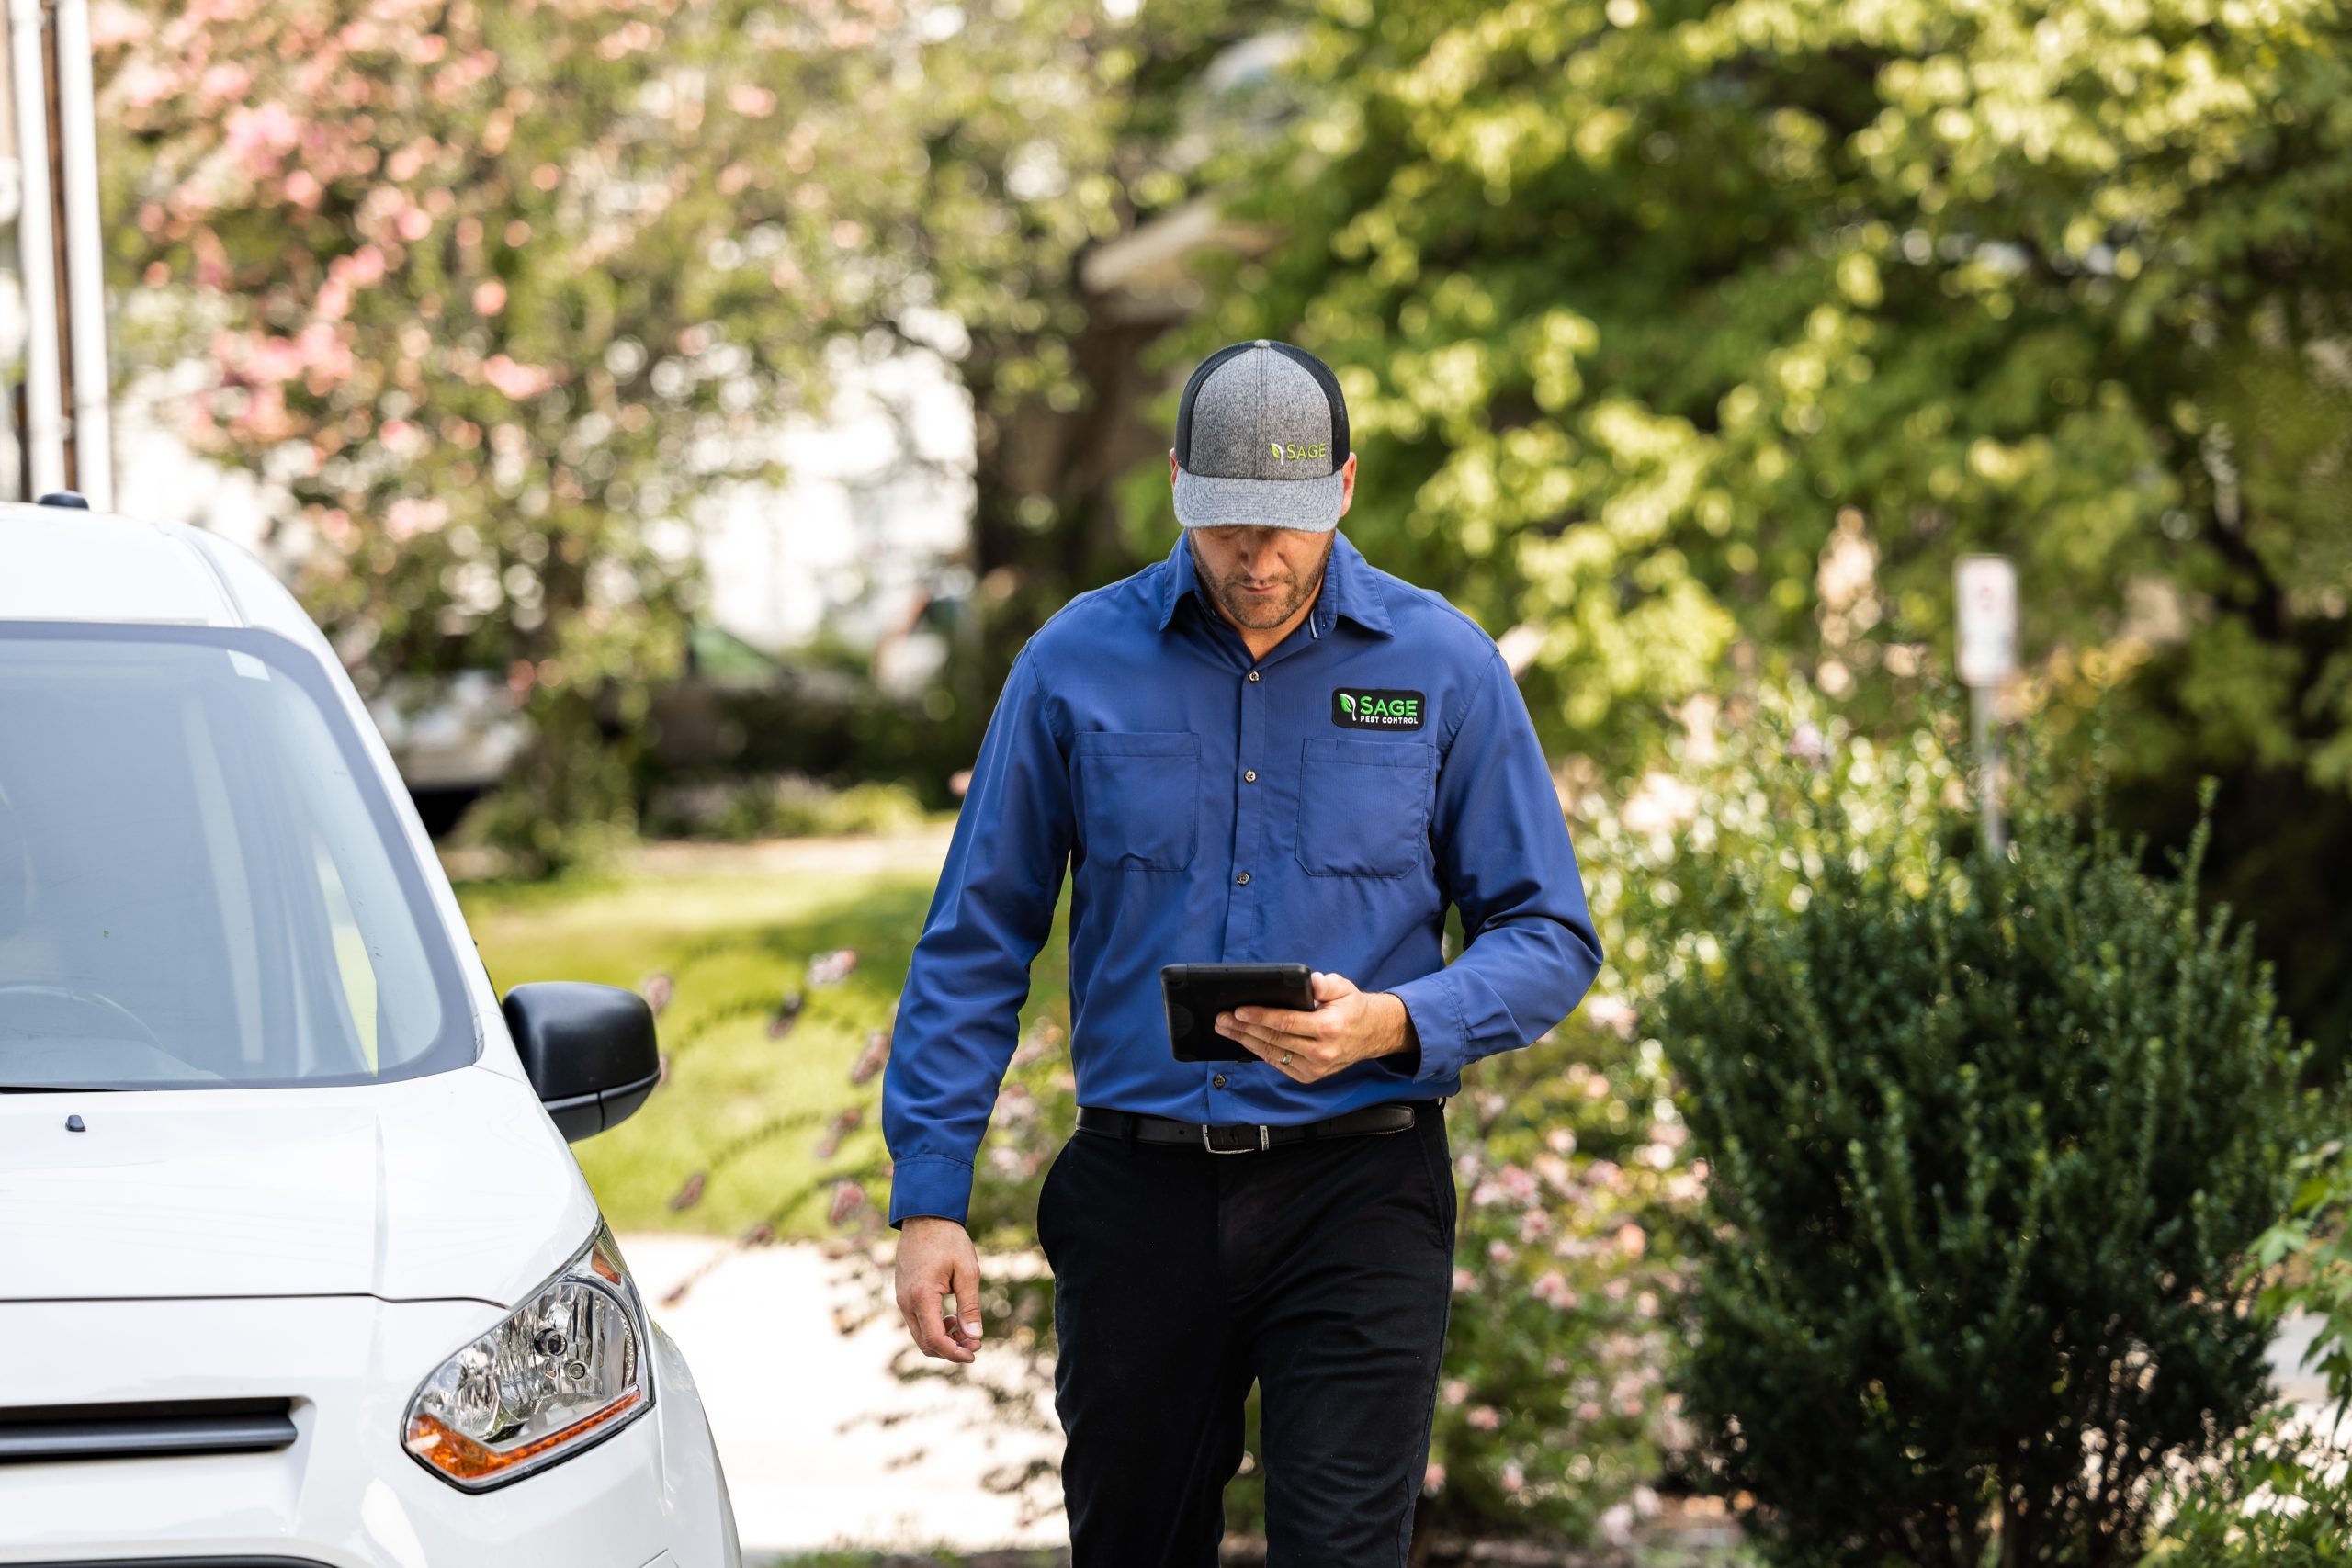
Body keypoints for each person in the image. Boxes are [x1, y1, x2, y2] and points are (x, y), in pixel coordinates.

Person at [882, 337, 1603, 1566]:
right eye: (1227, 528)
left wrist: (1396, 1023)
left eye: (1285, 527)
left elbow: (1549, 934)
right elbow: (975, 939)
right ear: (1177, 488)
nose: (1256, 559)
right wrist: (929, 1201)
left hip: (1362, 1193)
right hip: (1141, 1196)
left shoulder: (1443, 670)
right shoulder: (1072, 665)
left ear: (1346, 490)